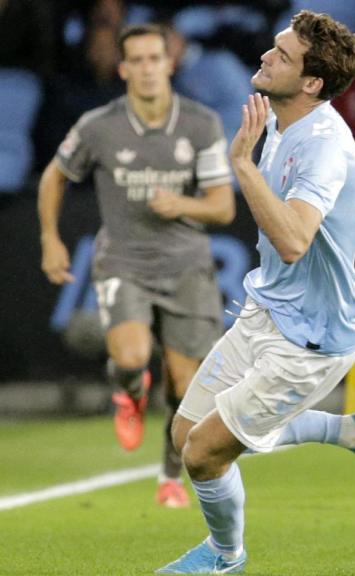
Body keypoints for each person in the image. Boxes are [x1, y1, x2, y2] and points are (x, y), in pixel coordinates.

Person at [155, 11, 355, 574]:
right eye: (274, 48)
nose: (265, 57)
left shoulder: (325, 145)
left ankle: (224, 556)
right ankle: (350, 430)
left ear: (312, 83)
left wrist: (242, 162)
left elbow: (291, 240)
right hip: (267, 312)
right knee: (185, 432)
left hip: (310, 343)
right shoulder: (283, 120)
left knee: (204, 454)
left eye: (282, 55)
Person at [38, 23, 235, 509]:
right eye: (138, 61)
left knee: (186, 387)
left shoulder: (200, 123)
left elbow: (223, 207)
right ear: (124, 69)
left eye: (155, 59)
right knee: (130, 356)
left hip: (187, 266)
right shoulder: (98, 126)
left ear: (169, 63)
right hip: (123, 260)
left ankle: (169, 476)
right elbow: (54, 176)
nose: (148, 69)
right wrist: (49, 239)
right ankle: (128, 390)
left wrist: (182, 206)